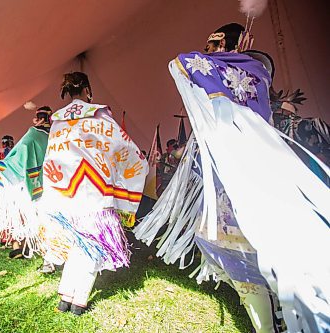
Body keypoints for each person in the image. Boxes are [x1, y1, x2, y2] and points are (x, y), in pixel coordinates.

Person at [134, 23, 330, 332]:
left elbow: (183, 61)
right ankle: (275, 321)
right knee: (255, 270)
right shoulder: (239, 98)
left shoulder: (262, 96)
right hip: (242, 197)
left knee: (269, 268)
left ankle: (277, 321)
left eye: (214, 43)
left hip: (258, 193)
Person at [40, 72, 148, 314]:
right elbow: (123, 148)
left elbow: (52, 157)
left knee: (76, 243)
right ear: (87, 90)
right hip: (94, 191)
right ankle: (79, 301)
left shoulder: (56, 121)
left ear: (67, 92)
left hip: (65, 192)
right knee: (93, 244)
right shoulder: (100, 115)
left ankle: (65, 297)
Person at [0, 105, 57, 262]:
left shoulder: (33, 134)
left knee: (20, 214)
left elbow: (19, 155)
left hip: (30, 182)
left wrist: (0, 167)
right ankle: (48, 255)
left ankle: (19, 247)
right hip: (52, 181)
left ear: (37, 119)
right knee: (48, 219)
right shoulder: (55, 135)